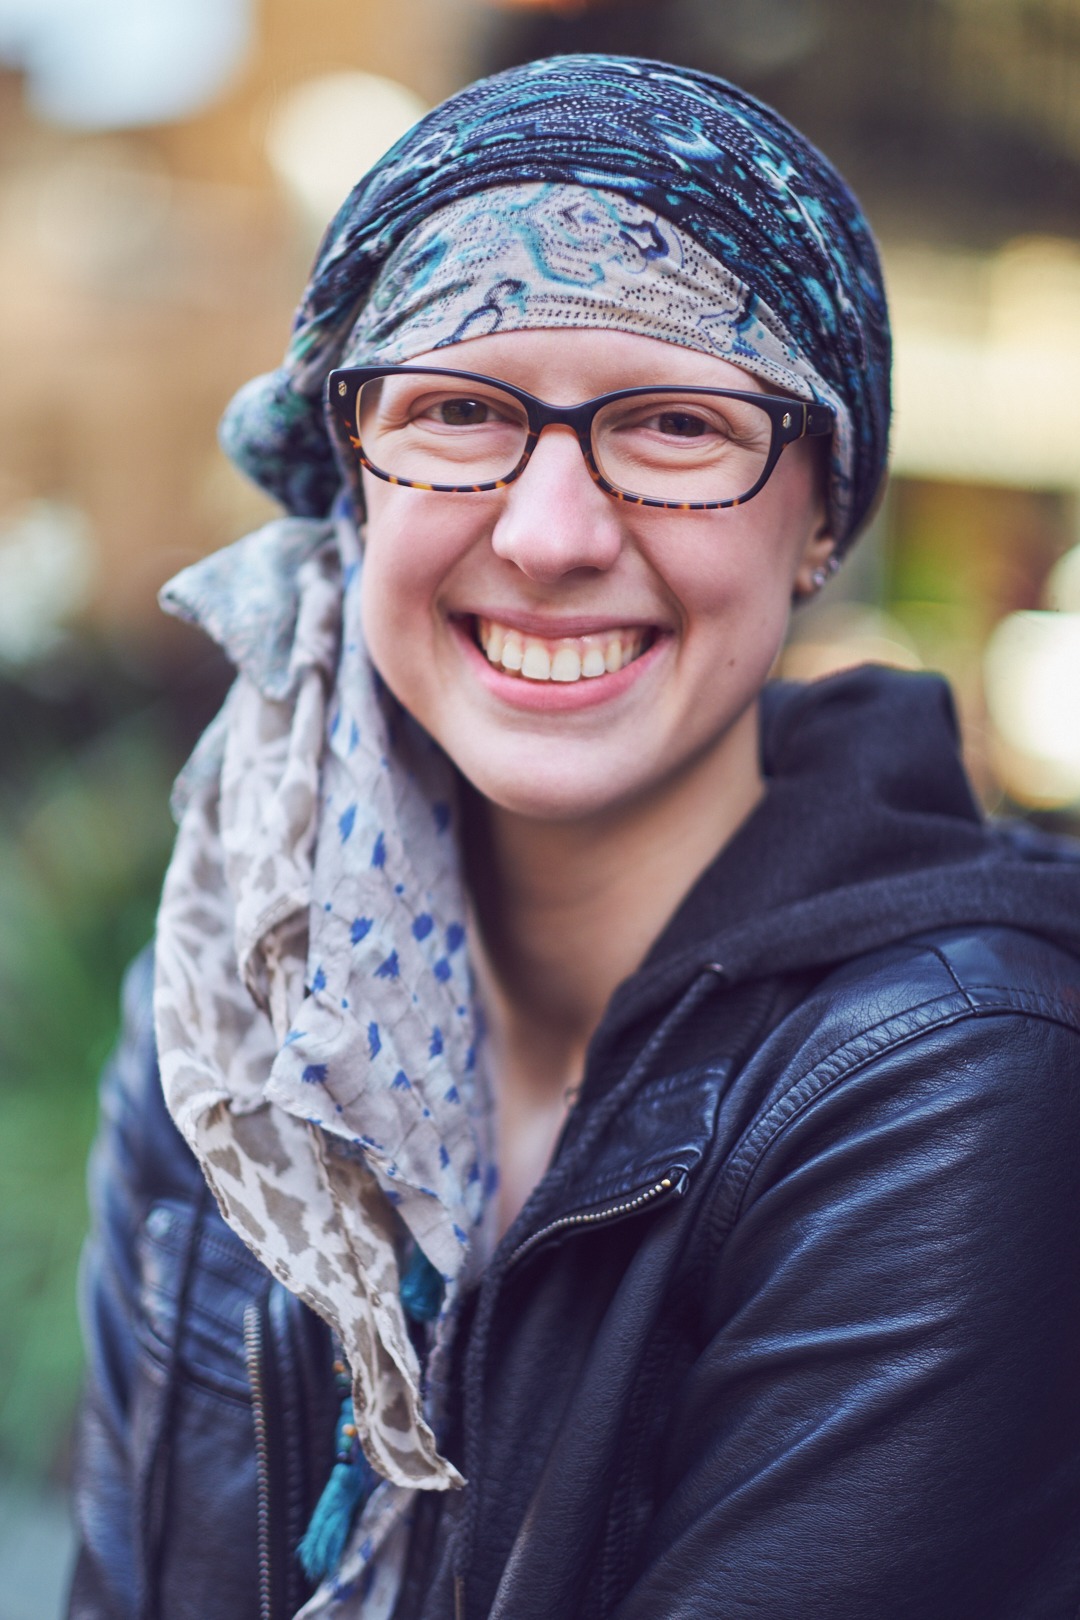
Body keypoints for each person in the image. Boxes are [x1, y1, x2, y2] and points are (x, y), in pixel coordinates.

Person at [67, 53, 1080, 1620]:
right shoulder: (223, 1004)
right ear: (351, 477)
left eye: (676, 423)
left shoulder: (957, 1082)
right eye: (461, 411)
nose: (549, 536)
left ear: (821, 515)